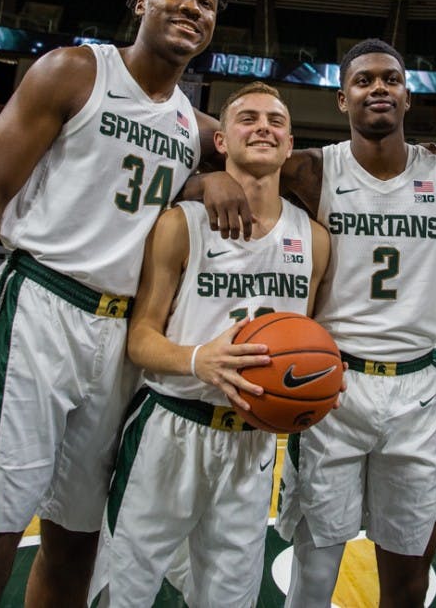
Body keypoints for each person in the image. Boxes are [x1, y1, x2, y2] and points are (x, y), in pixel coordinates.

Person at [0, 0, 241, 607]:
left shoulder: (196, 128)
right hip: (40, 309)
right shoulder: (74, 71)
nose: (193, 8)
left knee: (78, 543)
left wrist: (209, 180)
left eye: (207, 2)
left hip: (121, 341)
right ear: (141, 2)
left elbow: (283, 160)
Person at [272, 38, 436, 607]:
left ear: (407, 96)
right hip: (331, 385)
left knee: (408, 572)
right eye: (364, 80)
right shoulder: (308, 171)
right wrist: (217, 180)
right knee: (316, 565)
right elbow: (229, 165)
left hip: (417, 391)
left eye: (391, 79)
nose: (379, 88)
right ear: (342, 99)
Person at [87, 81, 330, 607]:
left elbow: (305, 343)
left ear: (290, 146)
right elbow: (141, 338)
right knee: (124, 592)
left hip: (251, 441)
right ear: (220, 140)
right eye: (247, 119)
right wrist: (200, 359)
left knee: (228, 600)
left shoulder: (313, 238)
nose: (263, 127)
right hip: (171, 427)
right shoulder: (180, 223)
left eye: (276, 121)